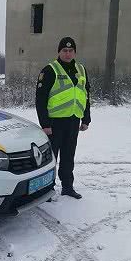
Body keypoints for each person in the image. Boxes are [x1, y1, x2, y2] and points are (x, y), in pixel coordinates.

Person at [36, 37, 91, 199]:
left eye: (70, 51)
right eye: (64, 51)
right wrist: (45, 124)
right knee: (51, 157)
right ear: (59, 52)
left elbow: (86, 95)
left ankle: (67, 187)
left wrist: (86, 118)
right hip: (54, 122)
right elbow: (40, 99)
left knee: (68, 156)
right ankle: (47, 189)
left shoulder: (81, 69)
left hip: (73, 120)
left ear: (75, 52)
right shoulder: (50, 70)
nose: (68, 54)